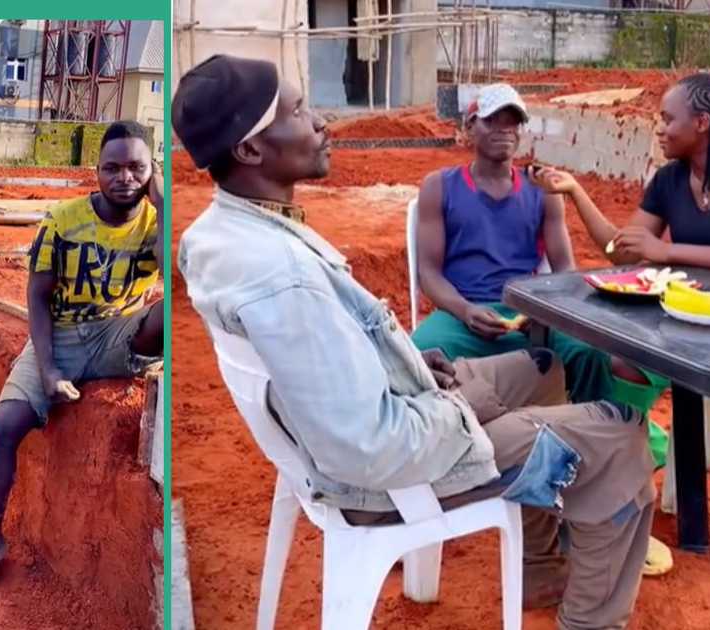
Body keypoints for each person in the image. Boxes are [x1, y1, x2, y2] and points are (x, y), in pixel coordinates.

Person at [174, 54, 656, 630]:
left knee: (543, 369)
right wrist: (450, 407)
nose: (321, 121)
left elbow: (332, 354)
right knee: (624, 440)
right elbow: (367, 446)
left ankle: (540, 561)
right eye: (300, 110)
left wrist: (405, 363)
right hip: (388, 471)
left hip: (385, 416)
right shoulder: (283, 275)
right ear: (250, 150)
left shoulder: (222, 232)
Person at [533, 72, 710, 562]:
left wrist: (668, 249)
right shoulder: (669, 180)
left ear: (701, 122)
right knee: (625, 366)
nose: (659, 129)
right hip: (693, 299)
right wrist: (575, 192)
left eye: (667, 119)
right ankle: (620, 471)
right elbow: (625, 251)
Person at [410, 84, 673, 574]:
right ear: (469, 126)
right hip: (465, 311)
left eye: (513, 122)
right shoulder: (439, 187)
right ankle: (418, 498)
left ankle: (612, 472)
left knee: (603, 355)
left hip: (531, 310)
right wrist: (467, 312)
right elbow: (430, 274)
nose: (505, 131)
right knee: (416, 360)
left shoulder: (541, 191)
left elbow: (563, 270)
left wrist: (546, 310)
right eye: (492, 121)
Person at [0, 120, 164, 592]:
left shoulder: (159, 223)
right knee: (5, 425)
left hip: (120, 334)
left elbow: (184, 276)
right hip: (62, 336)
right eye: (112, 168)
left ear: (152, 170)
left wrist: (164, 202)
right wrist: (50, 367)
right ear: (95, 171)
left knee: (169, 311)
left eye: (137, 167)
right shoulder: (64, 221)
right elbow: (36, 298)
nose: (124, 178)